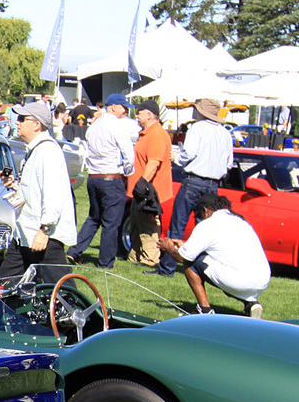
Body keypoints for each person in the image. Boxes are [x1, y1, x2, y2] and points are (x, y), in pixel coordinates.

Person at [155, 97, 234, 276]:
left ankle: (167, 267)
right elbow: (229, 163)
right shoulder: (225, 133)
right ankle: (202, 269)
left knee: (178, 224)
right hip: (213, 185)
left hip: (194, 181)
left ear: (200, 112)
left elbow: (189, 152)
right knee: (205, 230)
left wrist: (177, 158)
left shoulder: (197, 128)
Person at [158, 190, 268, 316]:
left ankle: (204, 309)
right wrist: (184, 246)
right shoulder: (240, 221)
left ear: (205, 210)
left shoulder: (207, 224)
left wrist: (169, 248)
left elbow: (183, 257)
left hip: (240, 280)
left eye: (200, 215)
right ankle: (252, 303)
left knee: (191, 263)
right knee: (223, 270)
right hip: (262, 280)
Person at [0, 100, 76, 282]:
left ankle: (77, 311)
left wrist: (45, 230)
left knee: (60, 290)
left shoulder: (47, 151)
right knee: (7, 282)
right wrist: (14, 185)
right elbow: (33, 192)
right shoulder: (34, 150)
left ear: (36, 124)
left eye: (21, 118)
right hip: (25, 233)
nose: (16, 122)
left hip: (43, 236)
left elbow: (53, 194)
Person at [68, 92, 137, 268]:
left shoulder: (95, 126)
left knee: (94, 217)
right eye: (123, 108)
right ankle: (106, 261)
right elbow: (128, 153)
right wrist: (127, 171)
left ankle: (75, 250)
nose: (125, 112)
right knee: (111, 222)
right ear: (113, 107)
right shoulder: (116, 126)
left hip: (94, 177)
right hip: (111, 177)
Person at [129, 103, 173, 267]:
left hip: (149, 191)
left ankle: (150, 259)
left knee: (148, 225)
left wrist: (142, 183)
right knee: (136, 223)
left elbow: (154, 163)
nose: (136, 116)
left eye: (139, 113)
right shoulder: (146, 133)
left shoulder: (157, 134)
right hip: (139, 190)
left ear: (149, 115)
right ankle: (135, 256)